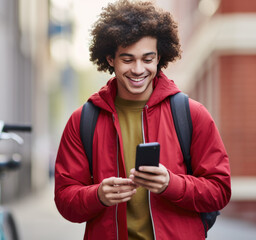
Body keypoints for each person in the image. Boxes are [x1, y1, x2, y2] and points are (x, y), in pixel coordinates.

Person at [54, 1, 231, 239]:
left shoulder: (191, 114)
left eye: (148, 59)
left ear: (160, 58)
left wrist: (171, 184)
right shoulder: (83, 120)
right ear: (110, 58)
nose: (138, 70)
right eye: (127, 59)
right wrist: (98, 196)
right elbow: (65, 200)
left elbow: (220, 190)